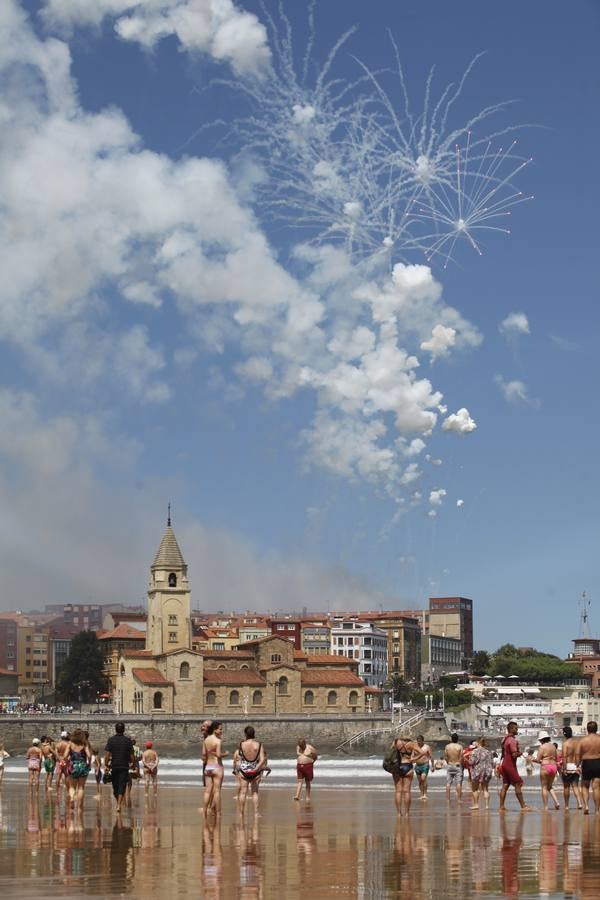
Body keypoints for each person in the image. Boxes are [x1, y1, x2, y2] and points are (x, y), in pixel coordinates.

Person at [499, 722, 533, 812]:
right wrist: (520, 753)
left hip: (504, 764)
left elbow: (504, 753)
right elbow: (514, 754)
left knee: (505, 785)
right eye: (515, 728)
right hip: (509, 765)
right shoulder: (512, 740)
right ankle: (523, 806)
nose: (517, 730)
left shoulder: (505, 739)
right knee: (518, 783)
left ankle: (501, 806)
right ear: (511, 729)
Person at [104, 722, 135, 814]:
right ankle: (118, 804)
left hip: (114, 766)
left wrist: (106, 764)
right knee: (122, 785)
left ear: (115, 729)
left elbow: (107, 755)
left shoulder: (111, 740)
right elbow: (132, 755)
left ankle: (118, 804)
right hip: (124, 766)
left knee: (115, 786)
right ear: (124, 730)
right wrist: (132, 763)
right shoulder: (128, 741)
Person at [237, 725, 266, 817]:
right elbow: (262, 760)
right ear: (254, 734)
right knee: (255, 792)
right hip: (255, 771)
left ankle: (241, 813)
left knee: (243, 792)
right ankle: (256, 813)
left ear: (245, 734)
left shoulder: (241, 744)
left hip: (244, 771)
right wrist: (256, 768)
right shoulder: (259, 745)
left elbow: (239, 757)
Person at [528, 731, 560, 810]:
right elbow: (556, 758)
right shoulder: (553, 746)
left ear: (541, 739)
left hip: (545, 767)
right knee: (550, 786)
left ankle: (546, 807)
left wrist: (532, 759)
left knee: (544, 787)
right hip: (554, 767)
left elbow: (538, 759)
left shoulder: (542, 747)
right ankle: (557, 802)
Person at [575, 720, 600, 815]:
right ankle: (597, 810)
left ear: (587, 729)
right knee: (596, 787)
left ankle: (586, 806)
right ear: (596, 729)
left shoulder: (582, 740)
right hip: (598, 762)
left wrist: (577, 765)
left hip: (587, 763)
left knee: (585, 786)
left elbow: (577, 754)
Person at [202, 722, 227, 817]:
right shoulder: (218, 741)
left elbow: (203, 754)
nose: (221, 731)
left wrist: (207, 759)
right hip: (217, 766)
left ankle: (205, 811)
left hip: (208, 766)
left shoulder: (206, 740)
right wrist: (226, 754)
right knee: (217, 791)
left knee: (207, 790)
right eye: (220, 729)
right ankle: (218, 813)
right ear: (215, 729)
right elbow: (219, 755)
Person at [63, 728, 91, 810]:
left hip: (73, 766)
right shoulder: (84, 743)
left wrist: (68, 762)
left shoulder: (70, 743)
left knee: (72, 787)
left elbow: (65, 756)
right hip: (82, 765)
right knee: (81, 787)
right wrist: (88, 763)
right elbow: (89, 756)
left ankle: (72, 798)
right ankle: (79, 807)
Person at [391, 735, 419, 816]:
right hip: (408, 766)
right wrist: (414, 759)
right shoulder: (411, 744)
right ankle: (407, 813)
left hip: (397, 767)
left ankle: (399, 813)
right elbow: (422, 753)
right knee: (407, 791)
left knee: (398, 791)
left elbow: (390, 754)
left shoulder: (395, 742)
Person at [560, 725, 583, 811]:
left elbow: (564, 757)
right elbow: (579, 755)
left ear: (564, 734)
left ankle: (566, 806)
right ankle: (579, 803)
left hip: (568, 766)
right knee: (575, 786)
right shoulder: (577, 743)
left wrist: (564, 768)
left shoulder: (565, 744)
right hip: (575, 766)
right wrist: (578, 765)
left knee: (566, 787)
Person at [469, 737, 494, 810]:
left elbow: (471, 762)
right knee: (485, 789)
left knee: (475, 789)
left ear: (478, 743)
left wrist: (466, 760)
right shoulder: (488, 752)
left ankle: (476, 805)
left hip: (477, 771)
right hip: (487, 771)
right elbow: (492, 763)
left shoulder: (474, 751)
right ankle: (487, 806)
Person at [413, 735, 433, 801]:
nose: (418, 742)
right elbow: (412, 756)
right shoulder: (415, 747)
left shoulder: (427, 747)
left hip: (425, 765)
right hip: (417, 766)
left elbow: (431, 757)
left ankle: (425, 794)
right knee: (420, 781)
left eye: (420, 741)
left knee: (423, 779)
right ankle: (421, 794)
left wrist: (433, 766)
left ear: (422, 741)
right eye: (417, 741)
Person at [444, 733, 464, 801]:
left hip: (450, 764)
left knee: (448, 783)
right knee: (458, 783)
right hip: (457, 765)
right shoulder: (460, 747)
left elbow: (446, 757)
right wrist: (460, 764)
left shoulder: (447, 746)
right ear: (457, 739)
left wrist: (448, 763)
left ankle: (448, 799)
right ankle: (459, 799)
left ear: (451, 739)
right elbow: (461, 757)